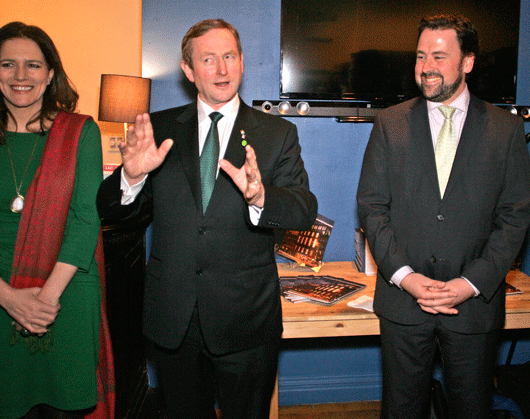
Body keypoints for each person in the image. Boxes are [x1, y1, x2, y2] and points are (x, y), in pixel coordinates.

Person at [97, 18, 317, 419]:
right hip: (173, 319)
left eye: (229, 56)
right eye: (209, 59)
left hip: (246, 320)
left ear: (242, 61)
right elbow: (110, 210)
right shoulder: (159, 128)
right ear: (188, 71)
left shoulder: (276, 133)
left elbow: (303, 208)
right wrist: (131, 176)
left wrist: (261, 196)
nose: (221, 69)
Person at [357, 14, 530, 419]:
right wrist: (407, 277)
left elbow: (515, 218)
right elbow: (371, 206)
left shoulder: (506, 131)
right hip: (403, 303)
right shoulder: (389, 123)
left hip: (474, 306)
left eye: (438, 56)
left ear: (467, 62)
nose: (425, 68)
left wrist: (471, 283)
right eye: (420, 57)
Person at [0, 22, 114, 419]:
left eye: (33, 65)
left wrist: (45, 300)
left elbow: (85, 219)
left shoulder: (79, 132)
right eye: (8, 64)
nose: (21, 76)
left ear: (51, 74)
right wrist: (6, 297)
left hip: (66, 295)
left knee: (67, 409)